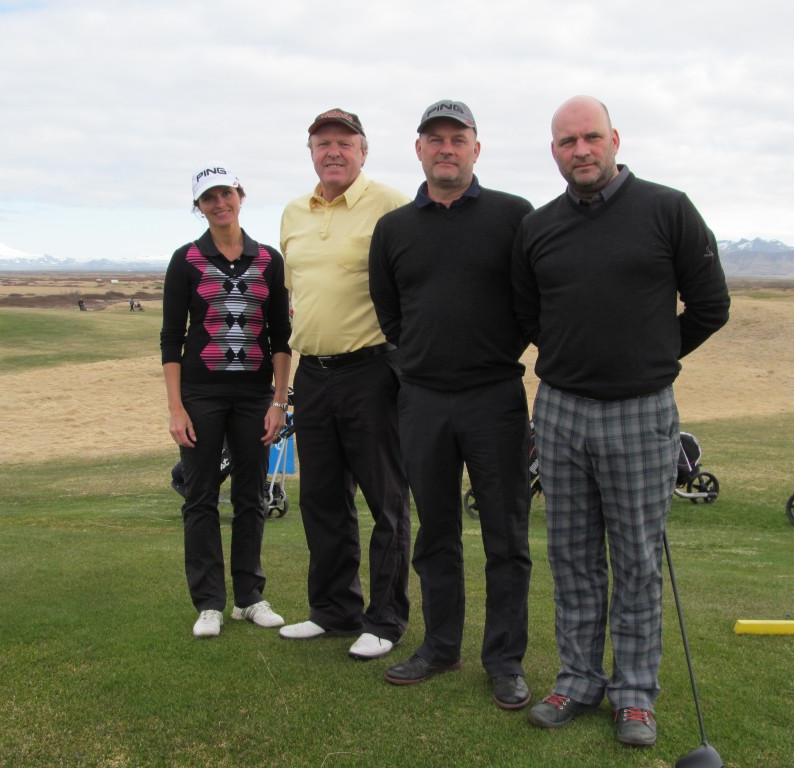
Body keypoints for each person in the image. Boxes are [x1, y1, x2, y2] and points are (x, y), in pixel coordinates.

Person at [512, 96, 730, 746]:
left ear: (614, 139)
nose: (580, 150)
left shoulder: (668, 209)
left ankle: (634, 695)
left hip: (641, 411)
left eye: (591, 137)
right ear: (554, 151)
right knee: (572, 556)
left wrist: (649, 356)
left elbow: (711, 304)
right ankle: (578, 680)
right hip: (560, 411)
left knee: (636, 559)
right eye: (567, 141)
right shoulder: (538, 227)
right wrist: (578, 357)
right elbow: (528, 315)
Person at [368, 100, 534, 709]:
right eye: (434, 139)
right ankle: (440, 647)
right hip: (422, 401)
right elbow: (390, 313)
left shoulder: (513, 216)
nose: (446, 148)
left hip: (495, 399)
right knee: (435, 533)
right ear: (419, 150)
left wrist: (488, 356)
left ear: (475, 149)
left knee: (505, 536)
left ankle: (505, 660)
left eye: (457, 139)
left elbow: (530, 303)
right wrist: (423, 362)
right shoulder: (394, 229)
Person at [278, 108, 412, 660]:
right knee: (322, 500)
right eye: (322, 142)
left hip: (371, 371)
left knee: (386, 500)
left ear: (363, 151)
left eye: (345, 142)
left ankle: (385, 620)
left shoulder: (391, 204)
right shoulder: (293, 213)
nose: (333, 151)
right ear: (311, 151)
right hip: (313, 374)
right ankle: (334, 609)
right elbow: (297, 292)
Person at [160, 164, 292, 639]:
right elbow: (171, 338)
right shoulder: (186, 259)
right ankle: (209, 604)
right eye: (209, 197)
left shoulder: (269, 259)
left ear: (241, 196)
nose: (219, 203)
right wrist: (176, 409)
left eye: (226, 194)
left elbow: (281, 337)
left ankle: (249, 598)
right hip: (200, 395)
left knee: (251, 496)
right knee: (200, 498)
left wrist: (279, 402)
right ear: (198, 206)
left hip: (254, 395)